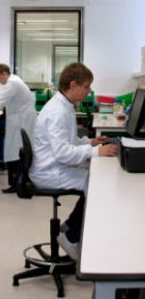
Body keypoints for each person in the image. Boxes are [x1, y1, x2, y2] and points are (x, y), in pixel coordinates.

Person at [29, 62, 117, 260]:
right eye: (86, 86)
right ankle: (70, 236)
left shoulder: (65, 105)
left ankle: (69, 227)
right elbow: (62, 153)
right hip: (49, 172)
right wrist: (96, 153)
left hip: (55, 164)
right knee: (94, 184)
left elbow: (70, 141)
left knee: (94, 180)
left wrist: (90, 143)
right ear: (73, 85)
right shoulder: (57, 111)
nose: (89, 91)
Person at [0, 64, 38, 193]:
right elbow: (4, 99)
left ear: (4, 73)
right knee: (18, 151)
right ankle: (19, 182)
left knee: (16, 152)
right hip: (21, 119)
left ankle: (18, 183)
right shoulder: (15, 81)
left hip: (21, 120)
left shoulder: (12, 83)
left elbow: (0, 102)